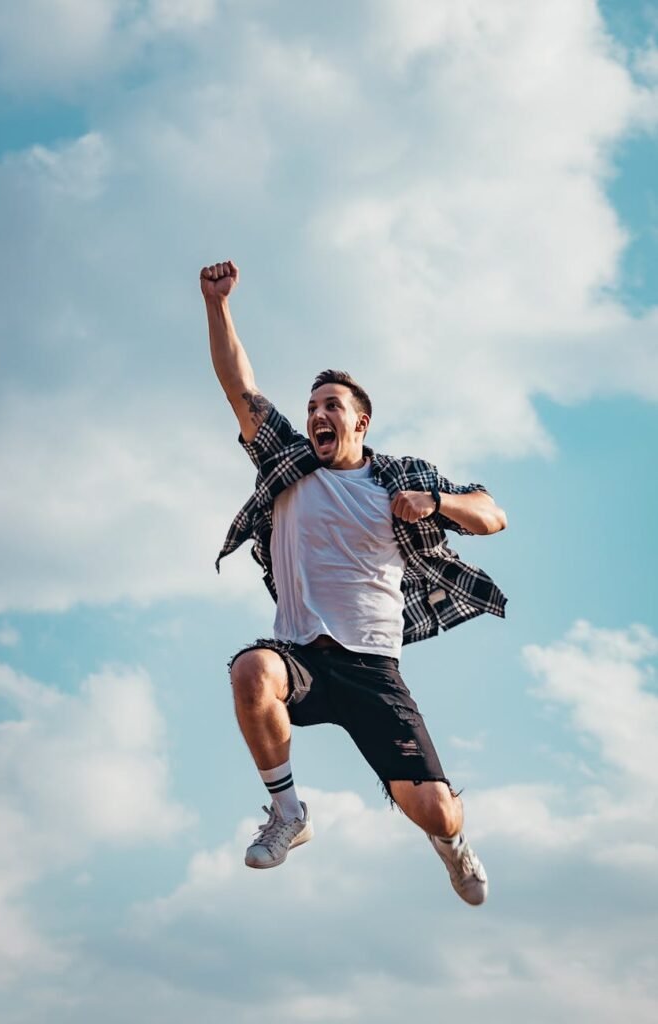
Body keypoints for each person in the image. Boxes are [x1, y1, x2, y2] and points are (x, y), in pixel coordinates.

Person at [201, 259, 507, 905]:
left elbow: (491, 514)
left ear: (359, 423)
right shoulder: (286, 459)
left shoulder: (397, 476)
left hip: (372, 668)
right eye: (312, 405)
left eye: (330, 406)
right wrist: (217, 304)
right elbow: (240, 388)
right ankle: (288, 813)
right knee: (251, 671)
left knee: (436, 810)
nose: (317, 413)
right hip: (300, 653)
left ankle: (451, 845)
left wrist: (435, 502)